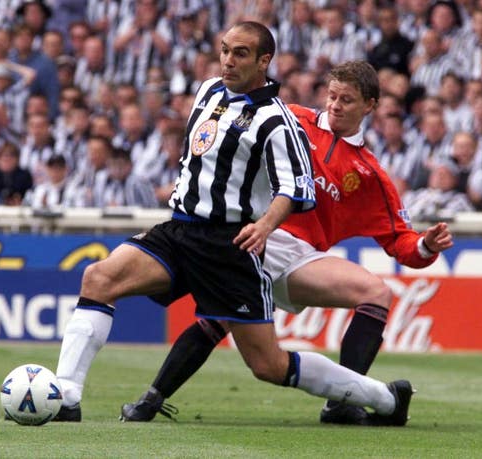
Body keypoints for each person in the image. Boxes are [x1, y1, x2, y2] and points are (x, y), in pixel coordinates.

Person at [52, 24, 413, 426]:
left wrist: (264, 227)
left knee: (268, 365)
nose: (228, 60)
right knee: (99, 278)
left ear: (263, 61)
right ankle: (66, 396)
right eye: (224, 50)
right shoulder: (208, 91)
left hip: (230, 246)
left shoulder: (277, 121)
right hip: (182, 230)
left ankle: (384, 398)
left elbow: (296, 189)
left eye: (240, 53)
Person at [120, 60, 452, 426]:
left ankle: (342, 401)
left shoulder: (370, 174)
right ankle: (152, 398)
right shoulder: (290, 119)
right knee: (219, 318)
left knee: (375, 293)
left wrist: (427, 246)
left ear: (370, 105)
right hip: (252, 232)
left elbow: (401, 244)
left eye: (347, 100)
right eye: (332, 96)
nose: (336, 105)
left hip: (299, 257)